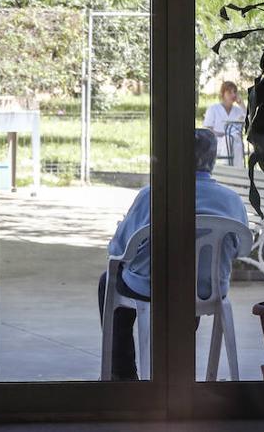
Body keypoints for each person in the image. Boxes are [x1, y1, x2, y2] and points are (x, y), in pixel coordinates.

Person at [97, 128, 248, 381]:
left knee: (108, 281)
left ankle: (122, 375)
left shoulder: (151, 196)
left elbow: (118, 250)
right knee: (191, 285)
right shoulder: (231, 200)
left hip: (151, 288)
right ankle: (179, 361)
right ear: (212, 159)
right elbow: (240, 249)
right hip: (205, 290)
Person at [203, 80, 246, 166]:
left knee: (234, 141)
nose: (233, 95)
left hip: (235, 142)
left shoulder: (238, 110)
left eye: (234, 92)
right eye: (229, 92)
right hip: (217, 141)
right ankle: (227, 167)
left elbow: (247, 119)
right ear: (223, 94)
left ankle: (236, 170)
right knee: (229, 140)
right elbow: (208, 129)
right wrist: (222, 135)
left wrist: (242, 104)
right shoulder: (213, 109)